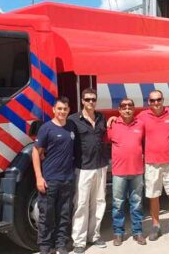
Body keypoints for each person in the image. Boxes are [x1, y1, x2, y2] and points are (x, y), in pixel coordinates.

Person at [107, 90, 169, 242]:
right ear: (148, 102)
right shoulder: (142, 117)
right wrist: (113, 118)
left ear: (163, 100)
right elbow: (126, 120)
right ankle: (156, 226)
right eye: (153, 100)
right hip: (151, 163)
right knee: (153, 196)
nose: (156, 103)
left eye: (159, 100)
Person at [32, 97, 76, 254]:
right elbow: (36, 152)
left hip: (67, 179)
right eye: (59, 109)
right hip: (50, 179)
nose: (62, 112)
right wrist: (39, 177)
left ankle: (61, 244)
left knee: (64, 214)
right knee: (47, 215)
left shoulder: (71, 126)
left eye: (65, 109)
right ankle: (45, 247)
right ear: (53, 110)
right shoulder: (46, 128)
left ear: (68, 110)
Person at [68, 88, 109, 254]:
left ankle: (94, 235)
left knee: (99, 202)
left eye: (93, 99)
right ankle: (79, 241)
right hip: (83, 168)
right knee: (81, 204)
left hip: (101, 166)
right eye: (88, 99)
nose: (91, 102)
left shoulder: (101, 118)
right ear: (82, 101)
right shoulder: (73, 120)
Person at [107, 98, 146, 246]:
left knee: (137, 203)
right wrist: (111, 119)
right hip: (119, 172)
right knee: (118, 204)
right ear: (119, 109)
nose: (127, 109)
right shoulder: (113, 124)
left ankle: (138, 232)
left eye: (130, 106)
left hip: (137, 171)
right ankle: (118, 233)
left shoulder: (140, 125)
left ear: (134, 109)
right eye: (124, 106)